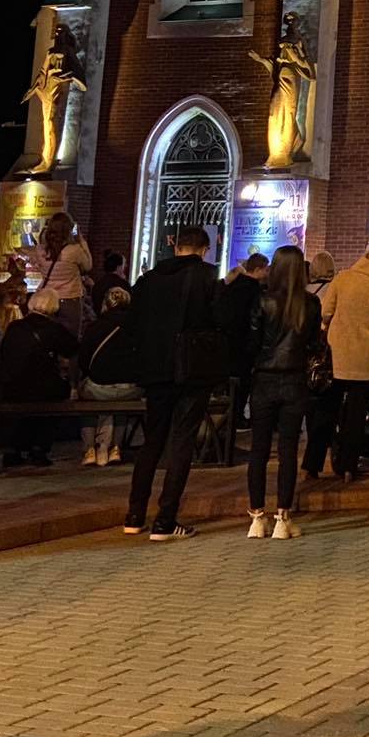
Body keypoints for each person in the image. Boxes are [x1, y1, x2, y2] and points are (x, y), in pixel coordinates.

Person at [122, 223, 227, 540]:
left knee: (152, 441)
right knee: (182, 441)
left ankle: (134, 515)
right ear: (204, 250)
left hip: (155, 371)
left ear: (176, 247)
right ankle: (165, 520)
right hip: (191, 371)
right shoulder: (207, 277)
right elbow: (220, 321)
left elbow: (132, 324)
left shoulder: (148, 280)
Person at [246, 244, 324, 539]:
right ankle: (283, 516)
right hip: (294, 379)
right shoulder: (310, 304)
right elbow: (315, 344)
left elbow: (252, 343)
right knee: (288, 449)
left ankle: (257, 517)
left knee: (259, 449)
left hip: (264, 379)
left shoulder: (262, 301)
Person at [316, 234, 369, 477]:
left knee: (327, 407)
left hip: (338, 351)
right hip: (367, 355)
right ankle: (349, 466)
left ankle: (312, 464)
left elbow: (326, 312)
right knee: (356, 412)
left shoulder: (343, 278)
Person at [0, 285, 76, 467]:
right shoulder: (55, 329)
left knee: (22, 408)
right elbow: (72, 349)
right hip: (44, 387)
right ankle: (39, 448)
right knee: (55, 397)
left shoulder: (15, 327)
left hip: (13, 386)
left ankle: (15, 449)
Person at [78, 285, 140, 466]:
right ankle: (115, 448)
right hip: (130, 387)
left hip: (99, 386)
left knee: (87, 402)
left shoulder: (94, 327)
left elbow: (83, 362)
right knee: (121, 406)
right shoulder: (137, 327)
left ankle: (90, 449)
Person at [29, 212, 93, 339]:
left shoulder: (40, 251)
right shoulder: (74, 251)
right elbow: (88, 266)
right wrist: (81, 240)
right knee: (69, 338)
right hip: (70, 299)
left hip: (47, 299)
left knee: (47, 337)